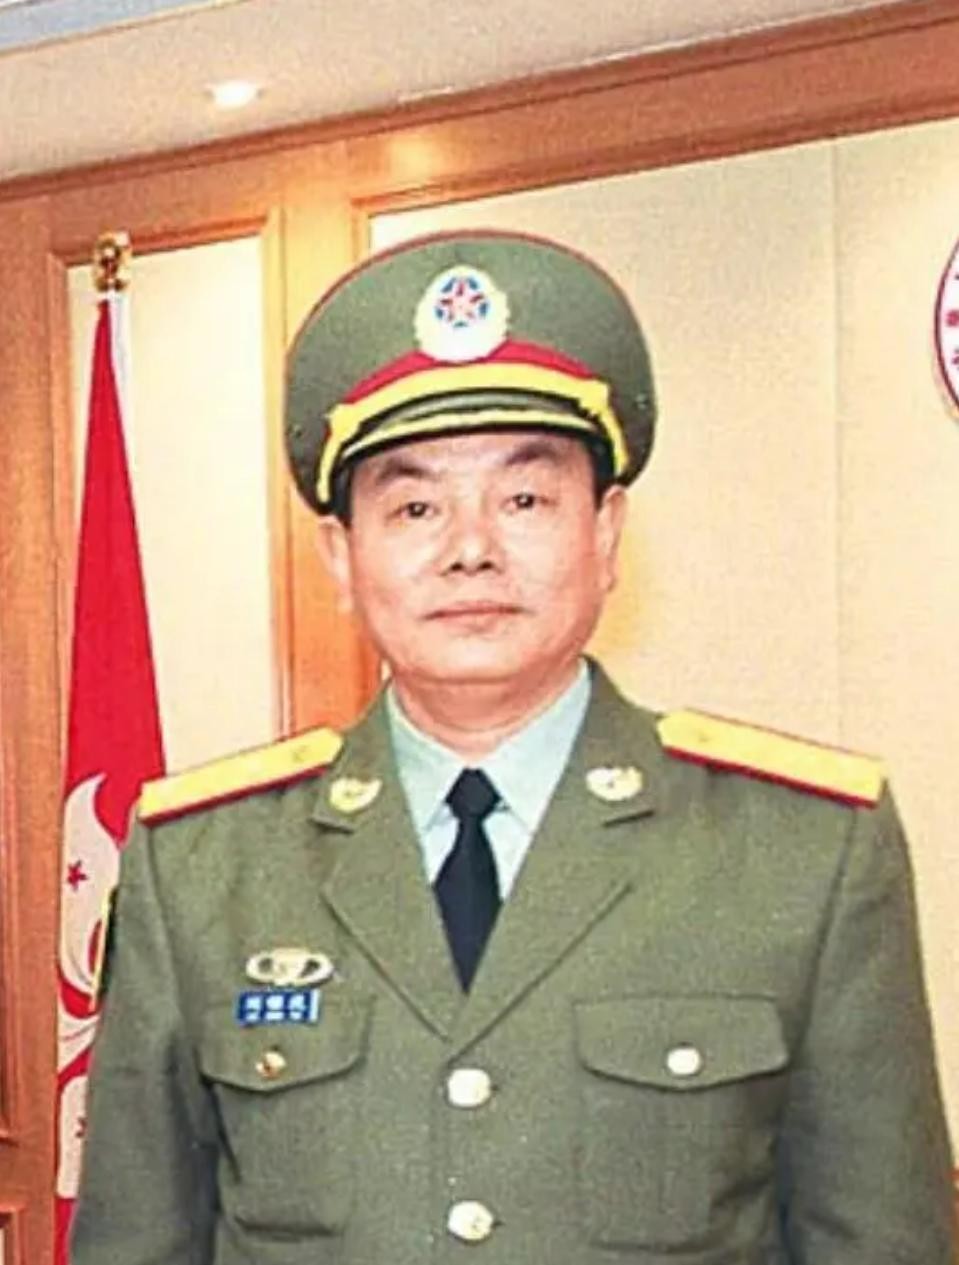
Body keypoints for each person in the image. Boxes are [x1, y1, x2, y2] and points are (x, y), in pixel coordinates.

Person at [73, 230, 956, 1264]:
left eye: (524, 498)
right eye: (414, 506)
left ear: (605, 532)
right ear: (341, 557)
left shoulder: (805, 853)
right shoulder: (201, 866)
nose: (470, 548)